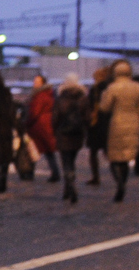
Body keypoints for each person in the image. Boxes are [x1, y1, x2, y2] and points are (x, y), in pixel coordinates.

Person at [99, 59, 139, 203]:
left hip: (117, 124)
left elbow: (105, 108)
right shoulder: (138, 87)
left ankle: (119, 182)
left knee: (115, 157)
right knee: (126, 158)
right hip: (134, 124)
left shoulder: (112, 88)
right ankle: (124, 182)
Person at [52, 73, 90, 204]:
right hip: (77, 135)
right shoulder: (83, 99)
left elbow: (55, 118)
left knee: (66, 161)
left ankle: (70, 182)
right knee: (72, 160)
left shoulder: (60, 99)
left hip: (63, 134)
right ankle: (68, 187)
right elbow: (87, 118)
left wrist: (55, 130)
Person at [27, 74, 61, 184]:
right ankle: (55, 173)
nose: (34, 83)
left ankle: (29, 173)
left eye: (37, 81)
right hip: (46, 125)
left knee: (32, 150)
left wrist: (26, 123)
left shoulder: (40, 96)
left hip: (39, 126)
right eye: (34, 80)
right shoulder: (48, 93)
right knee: (48, 151)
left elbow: (34, 113)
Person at [86, 67, 111, 186]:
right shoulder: (111, 88)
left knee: (93, 153)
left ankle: (95, 177)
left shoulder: (95, 89)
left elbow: (90, 105)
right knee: (109, 151)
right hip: (107, 123)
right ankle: (117, 173)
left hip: (95, 124)